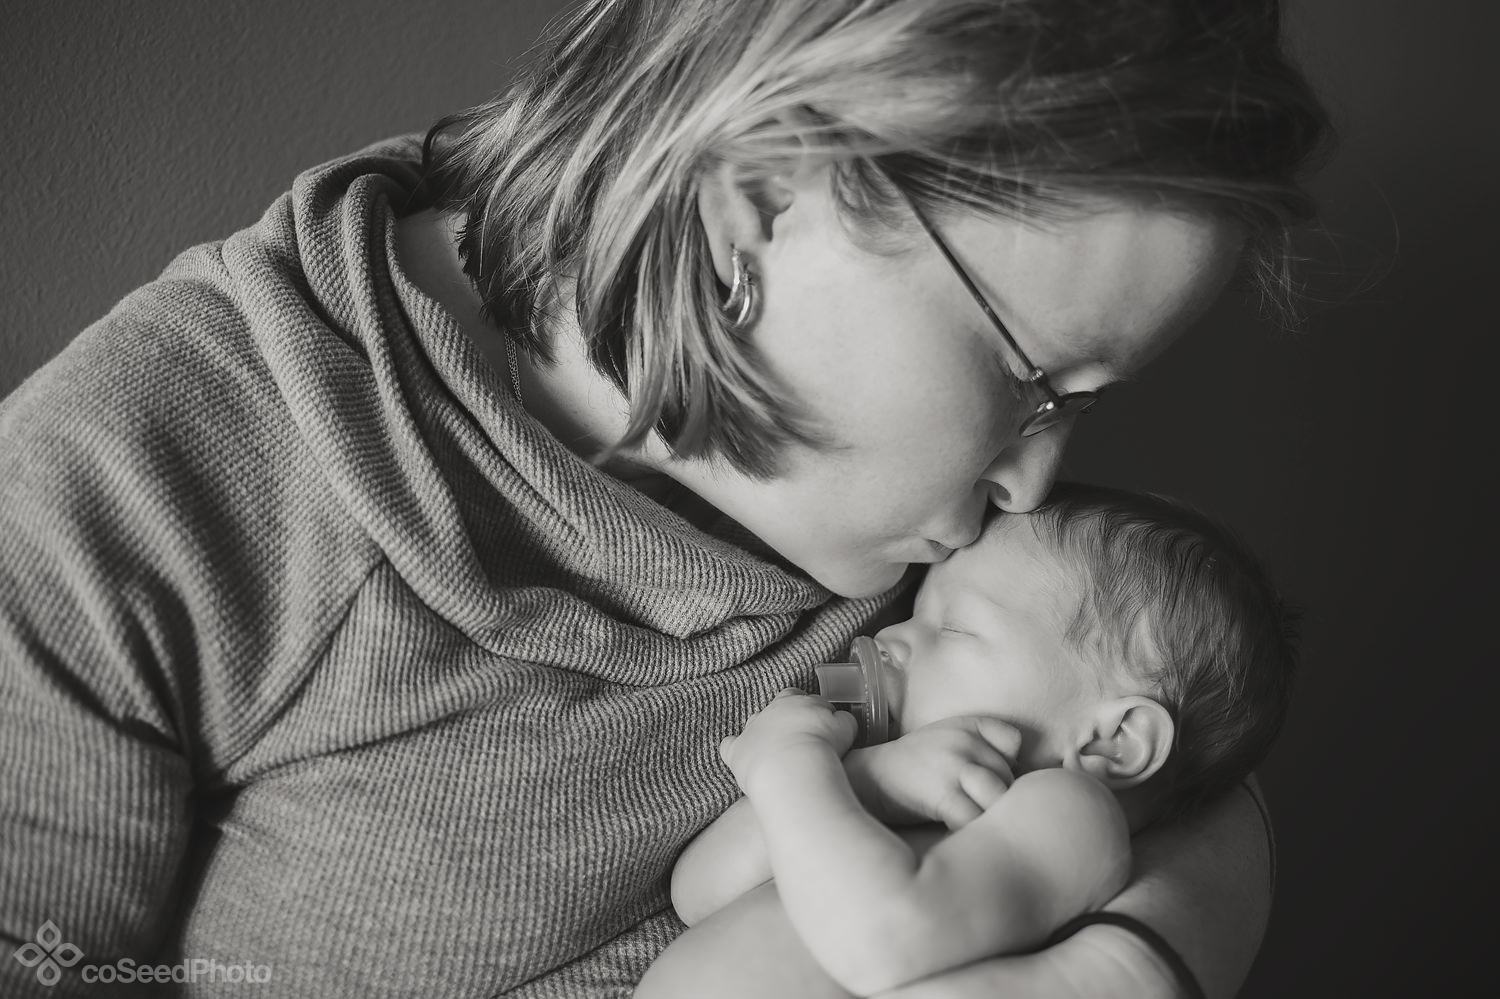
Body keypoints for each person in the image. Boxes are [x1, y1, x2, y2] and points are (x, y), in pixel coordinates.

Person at [0, 1, 1328, 996]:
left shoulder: (895, 537)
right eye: (1036, 377)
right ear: (757, 211)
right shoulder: (137, 482)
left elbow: (1165, 728)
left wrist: (1142, 958)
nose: (1033, 479)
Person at [636, 483, 1298, 999]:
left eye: (953, 631)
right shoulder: (885, 788)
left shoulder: (1067, 812)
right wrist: (872, 780)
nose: (892, 639)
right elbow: (699, 893)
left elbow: (883, 937)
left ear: (1114, 741)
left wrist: (792, 766)